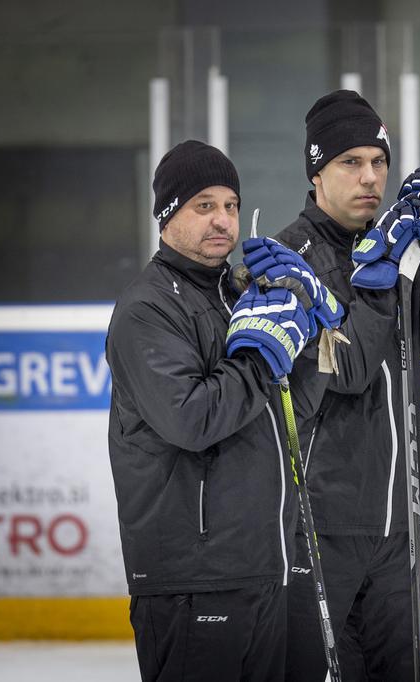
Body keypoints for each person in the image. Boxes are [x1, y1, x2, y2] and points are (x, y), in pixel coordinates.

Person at [271, 90, 420, 681]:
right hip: (318, 525)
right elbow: (343, 370)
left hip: (400, 523)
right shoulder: (289, 260)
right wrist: (379, 279)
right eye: (351, 162)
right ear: (316, 172)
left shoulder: (404, 254)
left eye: (379, 162)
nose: (371, 178)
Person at [107, 140, 342, 681]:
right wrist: (262, 358)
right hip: (193, 580)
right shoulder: (147, 309)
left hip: (263, 569)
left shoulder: (236, 296)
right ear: (167, 216)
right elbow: (192, 420)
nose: (223, 220)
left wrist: (308, 335)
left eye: (231, 205)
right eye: (203, 205)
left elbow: (294, 413)